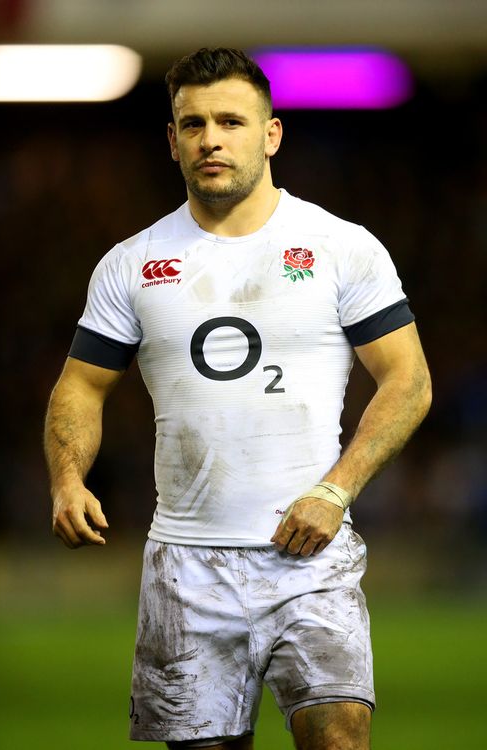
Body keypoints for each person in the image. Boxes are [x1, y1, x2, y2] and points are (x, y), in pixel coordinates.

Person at [44, 47, 432, 750]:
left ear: (271, 134)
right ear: (172, 141)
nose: (211, 139)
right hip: (186, 565)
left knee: (340, 739)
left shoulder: (341, 248)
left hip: (309, 553)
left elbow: (409, 381)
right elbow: (81, 384)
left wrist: (336, 492)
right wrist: (67, 478)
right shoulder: (132, 264)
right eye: (192, 124)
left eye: (230, 121)